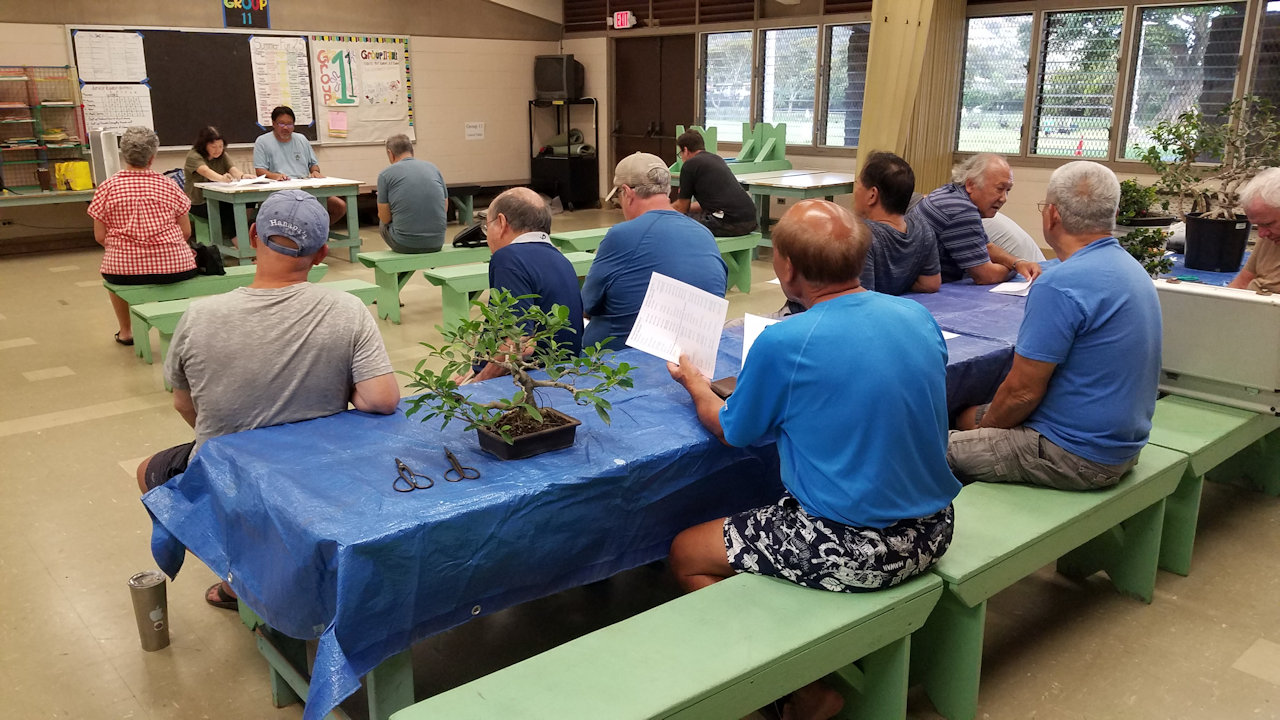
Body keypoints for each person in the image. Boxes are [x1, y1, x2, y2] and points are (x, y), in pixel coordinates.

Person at [666, 199, 959, 720]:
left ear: (785, 267)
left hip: (858, 550)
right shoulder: (916, 316)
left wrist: (694, 384)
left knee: (686, 551)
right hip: (933, 530)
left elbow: (732, 430)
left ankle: (803, 689)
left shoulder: (785, 342)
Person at [134, 189, 399, 610]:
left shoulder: (199, 317)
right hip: (316, 471)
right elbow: (382, 399)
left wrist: (234, 436)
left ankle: (236, 579)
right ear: (322, 253)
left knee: (149, 470)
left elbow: (184, 405)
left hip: (231, 480)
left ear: (254, 236)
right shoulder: (347, 310)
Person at [948, 161, 1161, 490]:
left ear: (1052, 215)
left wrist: (985, 432)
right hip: (1119, 444)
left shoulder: (1060, 284)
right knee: (963, 414)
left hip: (1075, 455)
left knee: (915, 451)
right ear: (1114, 214)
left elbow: (1022, 394)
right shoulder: (1131, 269)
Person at [581, 152, 728, 349]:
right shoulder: (704, 234)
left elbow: (587, 304)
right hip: (693, 354)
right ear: (667, 189)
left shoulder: (621, 235)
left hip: (622, 357)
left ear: (627, 192)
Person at [462, 187, 585, 383]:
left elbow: (519, 343)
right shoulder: (561, 259)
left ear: (501, 222)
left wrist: (477, 383)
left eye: (487, 227)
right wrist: (472, 372)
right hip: (565, 376)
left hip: (529, 380)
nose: (486, 237)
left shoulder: (508, 258)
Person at [88, 126, 194, 346]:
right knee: (178, 271)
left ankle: (126, 331)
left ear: (124, 154)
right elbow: (186, 232)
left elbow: (99, 235)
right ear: (152, 157)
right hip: (173, 267)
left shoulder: (107, 187)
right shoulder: (169, 185)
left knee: (115, 271)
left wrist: (125, 250)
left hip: (122, 270)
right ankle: (175, 325)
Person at [911, 153, 1043, 284]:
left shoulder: (950, 192)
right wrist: (1014, 270)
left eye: (1007, 190)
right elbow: (986, 276)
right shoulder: (961, 210)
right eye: (999, 189)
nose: (1004, 198)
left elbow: (986, 246)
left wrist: (1017, 263)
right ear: (970, 185)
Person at [852, 150, 941, 295]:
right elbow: (930, 284)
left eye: (857, 183)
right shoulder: (923, 228)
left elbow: (860, 296)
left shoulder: (861, 236)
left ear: (872, 195)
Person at [253, 105, 346, 224]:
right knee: (293, 214)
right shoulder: (262, 141)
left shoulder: (301, 139)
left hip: (306, 189)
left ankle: (316, 232)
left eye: (289, 124)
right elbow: (260, 171)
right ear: (274, 124)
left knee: (340, 207)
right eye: (281, 124)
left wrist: (315, 171)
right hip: (279, 191)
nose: (285, 128)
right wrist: (275, 176)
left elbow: (313, 164)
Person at [672, 129, 758, 237]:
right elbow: (710, 204)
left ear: (685, 150)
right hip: (750, 220)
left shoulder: (689, 165)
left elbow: (682, 208)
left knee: (676, 221)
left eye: (680, 154)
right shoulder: (717, 159)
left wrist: (663, 209)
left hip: (728, 223)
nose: (682, 158)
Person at [376, 133, 448, 254]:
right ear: (412, 150)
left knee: (382, 223)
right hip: (437, 242)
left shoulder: (385, 175)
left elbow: (385, 217)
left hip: (405, 244)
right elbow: (444, 207)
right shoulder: (433, 168)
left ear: (390, 153)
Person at [184, 125, 245, 244]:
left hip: (218, 198)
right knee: (228, 210)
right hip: (197, 202)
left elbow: (233, 169)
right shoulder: (194, 156)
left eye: (221, 146)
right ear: (204, 145)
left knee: (245, 205)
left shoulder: (222, 155)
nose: (218, 150)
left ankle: (241, 240)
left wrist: (243, 176)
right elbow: (206, 171)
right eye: (214, 147)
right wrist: (222, 178)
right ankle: (237, 243)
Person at [1229, 167, 1280, 293]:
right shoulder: (1272, 237)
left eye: (1268, 224)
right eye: (1258, 225)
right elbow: (1242, 283)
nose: (1261, 234)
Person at [983, 211, 1047, 262]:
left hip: (1030, 271)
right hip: (1039, 266)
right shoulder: (990, 215)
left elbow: (988, 271)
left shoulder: (981, 221)